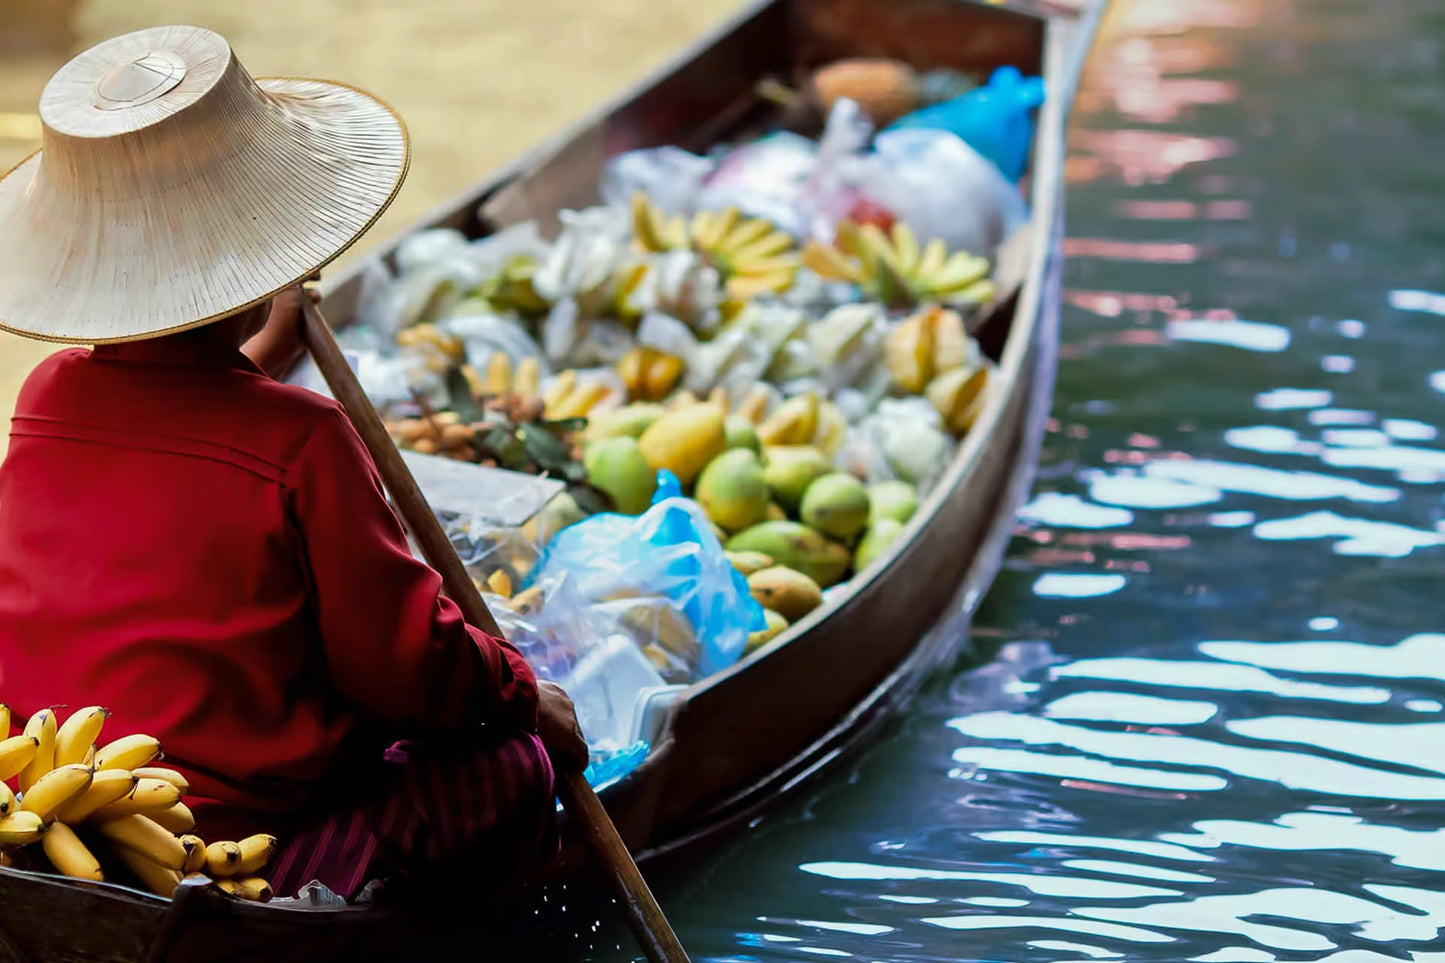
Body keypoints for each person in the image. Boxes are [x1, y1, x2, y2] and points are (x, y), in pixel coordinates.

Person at [0, 25, 587, 901]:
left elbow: (181, 433)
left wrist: (261, 354)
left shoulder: (49, 393)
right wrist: (521, 692)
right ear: (256, 266)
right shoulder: (303, 437)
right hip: (228, 838)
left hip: (52, 802)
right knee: (510, 766)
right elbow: (403, 671)